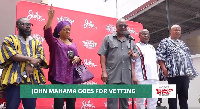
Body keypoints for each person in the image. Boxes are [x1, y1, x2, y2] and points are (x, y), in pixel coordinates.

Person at [0, 17, 48, 109]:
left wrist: (31, 65)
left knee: (30, 107)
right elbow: (11, 55)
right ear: (17, 26)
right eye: (25, 24)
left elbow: (40, 57)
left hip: (31, 81)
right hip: (14, 80)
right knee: (11, 107)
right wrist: (30, 59)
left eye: (29, 25)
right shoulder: (9, 39)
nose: (28, 27)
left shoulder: (36, 42)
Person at [44, 5, 81, 109]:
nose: (68, 32)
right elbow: (47, 34)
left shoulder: (73, 44)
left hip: (71, 78)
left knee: (71, 104)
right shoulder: (55, 42)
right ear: (59, 31)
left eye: (69, 30)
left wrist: (77, 59)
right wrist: (50, 18)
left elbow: (78, 57)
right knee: (59, 104)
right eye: (65, 29)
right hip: (58, 77)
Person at [98, 18, 137, 109]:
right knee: (112, 103)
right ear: (116, 27)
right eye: (120, 25)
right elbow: (102, 55)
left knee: (125, 103)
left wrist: (133, 55)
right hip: (112, 75)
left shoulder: (130, 40)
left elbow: (135, 56)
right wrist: (104, 71)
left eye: (125, 26)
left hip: (127, 76)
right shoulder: (108, 38)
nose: (123, 27)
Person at [156, 24, 198, 109]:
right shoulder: (165, 42)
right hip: (173, 74)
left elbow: (188, 57)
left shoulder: (182, 43)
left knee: (184, 97)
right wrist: (164, 69)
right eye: (175, 30)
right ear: (171, 31)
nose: (178, 31)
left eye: (179, 30)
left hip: (185, 74)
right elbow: (160, 56)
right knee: (172, 98)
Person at [132, 29, 159, 109]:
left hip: (153, 78)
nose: (146, 36)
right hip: (141, 78)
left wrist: (157, 75)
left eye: (147, 34)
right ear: (139, 36)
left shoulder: (152, 47)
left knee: (153, 101)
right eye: (144, 34)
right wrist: (134, 76)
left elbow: (155, 62)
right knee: (141, 101)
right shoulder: (135, 47)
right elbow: (131, 63)